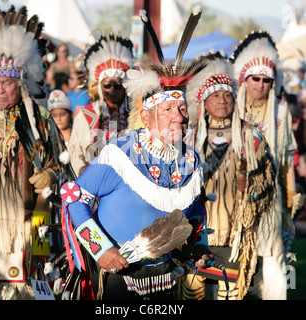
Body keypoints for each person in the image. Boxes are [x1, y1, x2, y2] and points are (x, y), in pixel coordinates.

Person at [60, 5, 214, 300]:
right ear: (146, 118)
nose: (178, 117)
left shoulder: (190, 162)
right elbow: (74, 198)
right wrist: (100, 250)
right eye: (167, 109)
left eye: (182, 109)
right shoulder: (119, 155)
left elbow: (195, 212)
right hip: (120, 278)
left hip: (168, 277)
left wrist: (199, 245)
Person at [0, 6, 71, 299]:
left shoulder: (40, 120)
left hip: (34, 223)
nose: (1, 90)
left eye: (7, 83)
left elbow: (65, 168)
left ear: (21, 81)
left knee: (31, 288)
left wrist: (50, 175)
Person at [180, 52, 276, 300]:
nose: (223, 101)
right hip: (196, 227)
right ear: (203, 101)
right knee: (192, 289)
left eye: (227, 95)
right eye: (216, 96)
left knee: (231, 291)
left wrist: (252, 187)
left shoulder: (250, 134)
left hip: (235, 229)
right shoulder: (189, 136)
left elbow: (268, 176)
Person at [231, 30, 298, 300]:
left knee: (272, 260)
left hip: (270, 196)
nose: (260, 84)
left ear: (273, 82)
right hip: (234, 197)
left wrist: (290, 195)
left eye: (266, 80)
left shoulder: (281, 111)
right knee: (233, 258)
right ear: (244, 80)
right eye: (255, 79)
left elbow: (286, 160)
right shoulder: (231, 109)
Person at [67, 33, 134, 176]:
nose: (112, 90)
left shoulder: (136, 114)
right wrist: (81, 170)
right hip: (94, 179)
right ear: (99, 87)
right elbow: (75, 151)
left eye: (117, 86)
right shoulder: (87, 115)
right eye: (107, 85)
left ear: (125, 86)